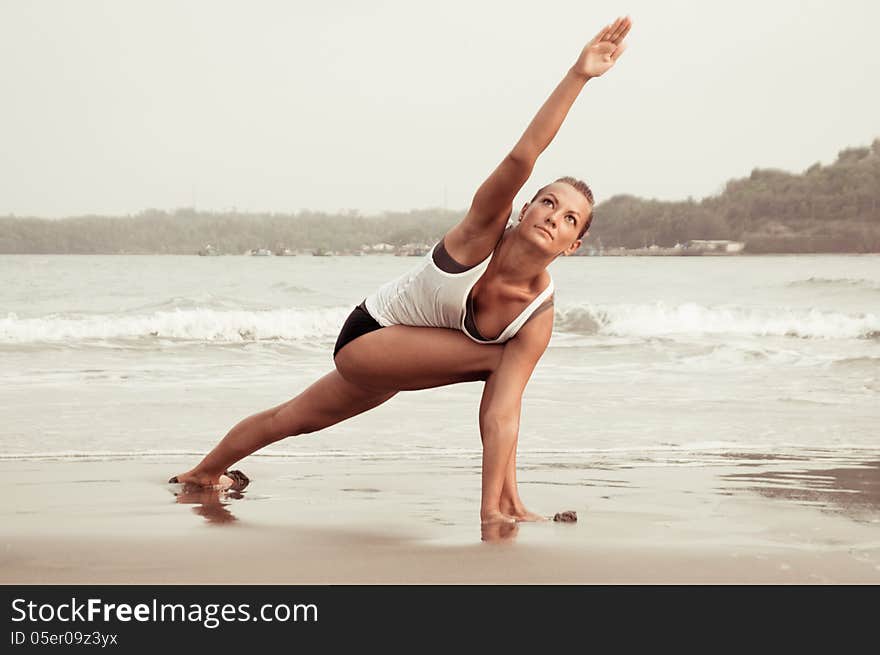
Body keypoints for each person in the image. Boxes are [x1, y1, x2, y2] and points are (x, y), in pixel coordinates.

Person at [169, 16, 632, 525]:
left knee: (292, 419)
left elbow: (504, 414)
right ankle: (499, 508)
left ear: (574, 244)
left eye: (570, 219)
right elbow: (524, 156)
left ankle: (202, 473)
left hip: (403, 359)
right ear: (525, 208)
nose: (553, 217)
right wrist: (578, 76)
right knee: (499, 362)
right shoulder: (482, 231)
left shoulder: (537, 318)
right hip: (369, 336)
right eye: (548, 201)